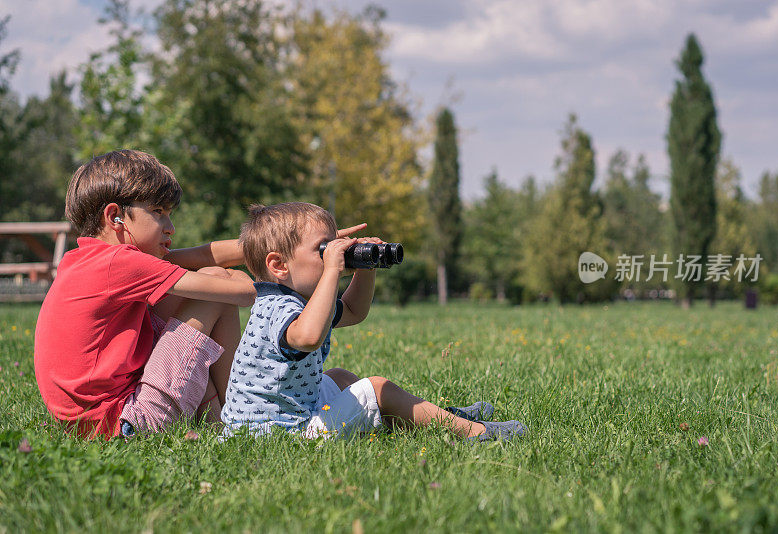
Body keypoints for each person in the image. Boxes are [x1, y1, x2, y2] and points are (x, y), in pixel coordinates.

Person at [33, 150, 363, 440]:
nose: (169, 226)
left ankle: (228, 412)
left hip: (95, 422)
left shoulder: (90, 260)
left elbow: (205, 256)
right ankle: (243, 415)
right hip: (121, 422)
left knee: (207, 279)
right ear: (115, 216)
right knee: (217, 287)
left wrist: (297, 244)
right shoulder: (120, 262)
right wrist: (307, 260)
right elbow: (247, 292)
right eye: (158, 212)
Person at [222, 202, 527, 442]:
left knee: (340, 378)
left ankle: (434, 419)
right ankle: (475, 434)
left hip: (286, 417)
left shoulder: (299, 302)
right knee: (376, 388)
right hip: (279, 435)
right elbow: (309, 337)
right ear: (278, 265)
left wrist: (364, 269)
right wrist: (331, 271)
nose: (335, 255)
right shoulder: (278, 307)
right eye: (323, 250)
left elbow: (353, 311)